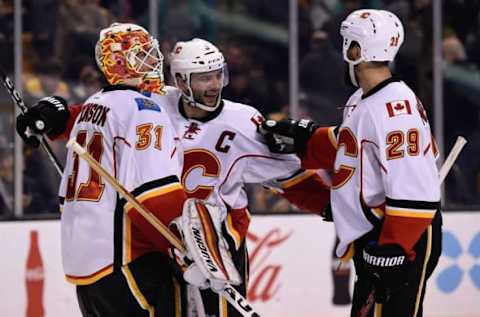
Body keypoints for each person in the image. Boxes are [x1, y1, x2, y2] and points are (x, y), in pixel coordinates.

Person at [17, 36, 332, 316]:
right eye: (203, 78)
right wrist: (55, 115)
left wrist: (332, 207)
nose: (213, 85)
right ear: (180, 82)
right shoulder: (154, 103)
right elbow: (108, 117)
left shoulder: (243, 122)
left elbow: (288, 177)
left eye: (217, 75)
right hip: (163, 238)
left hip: (214, 241)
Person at [17, 23, 240, 317]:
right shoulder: (143, 109)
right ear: (120, 64)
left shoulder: (94, 105)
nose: (154, 62)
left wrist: (52, 115)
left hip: (85, 264)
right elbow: (152, 196)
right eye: (143, 56)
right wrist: (191, 251)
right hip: (128, 260)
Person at [260, 9, 442, 317]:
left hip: (401, 238)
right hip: (377, 236)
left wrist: (393, 249)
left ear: (356, 50)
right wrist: (304, 140)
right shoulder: (364, 98)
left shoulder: (394, 110)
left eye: (347, 43)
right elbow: (349, 144)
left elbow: (417, 190)